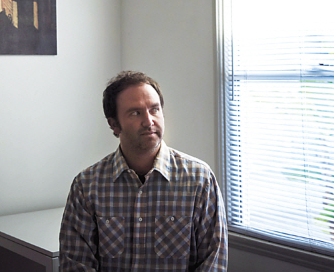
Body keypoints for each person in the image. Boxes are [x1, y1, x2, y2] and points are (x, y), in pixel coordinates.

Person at [59, 71, 228, 271]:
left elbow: (212, 263)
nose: (149, 121)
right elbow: (75, 265)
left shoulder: (199, 180)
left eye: (154, 110)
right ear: (114, 124)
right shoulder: (87, 186)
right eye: (135, 113)